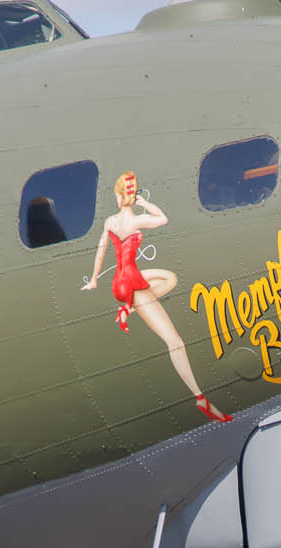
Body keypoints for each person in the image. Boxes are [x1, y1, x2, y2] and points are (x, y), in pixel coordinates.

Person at [82, 171, 232, 423]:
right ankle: (199, 398)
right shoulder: (136, 222)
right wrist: (144, 204)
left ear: (120, 197)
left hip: (122, 279)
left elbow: (100, 252)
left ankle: (127, 309)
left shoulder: (110, 222)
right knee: (175, 342)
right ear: (130, 197)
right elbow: (162, 218)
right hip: (132, 283)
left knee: (169, 279)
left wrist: (95, 279)